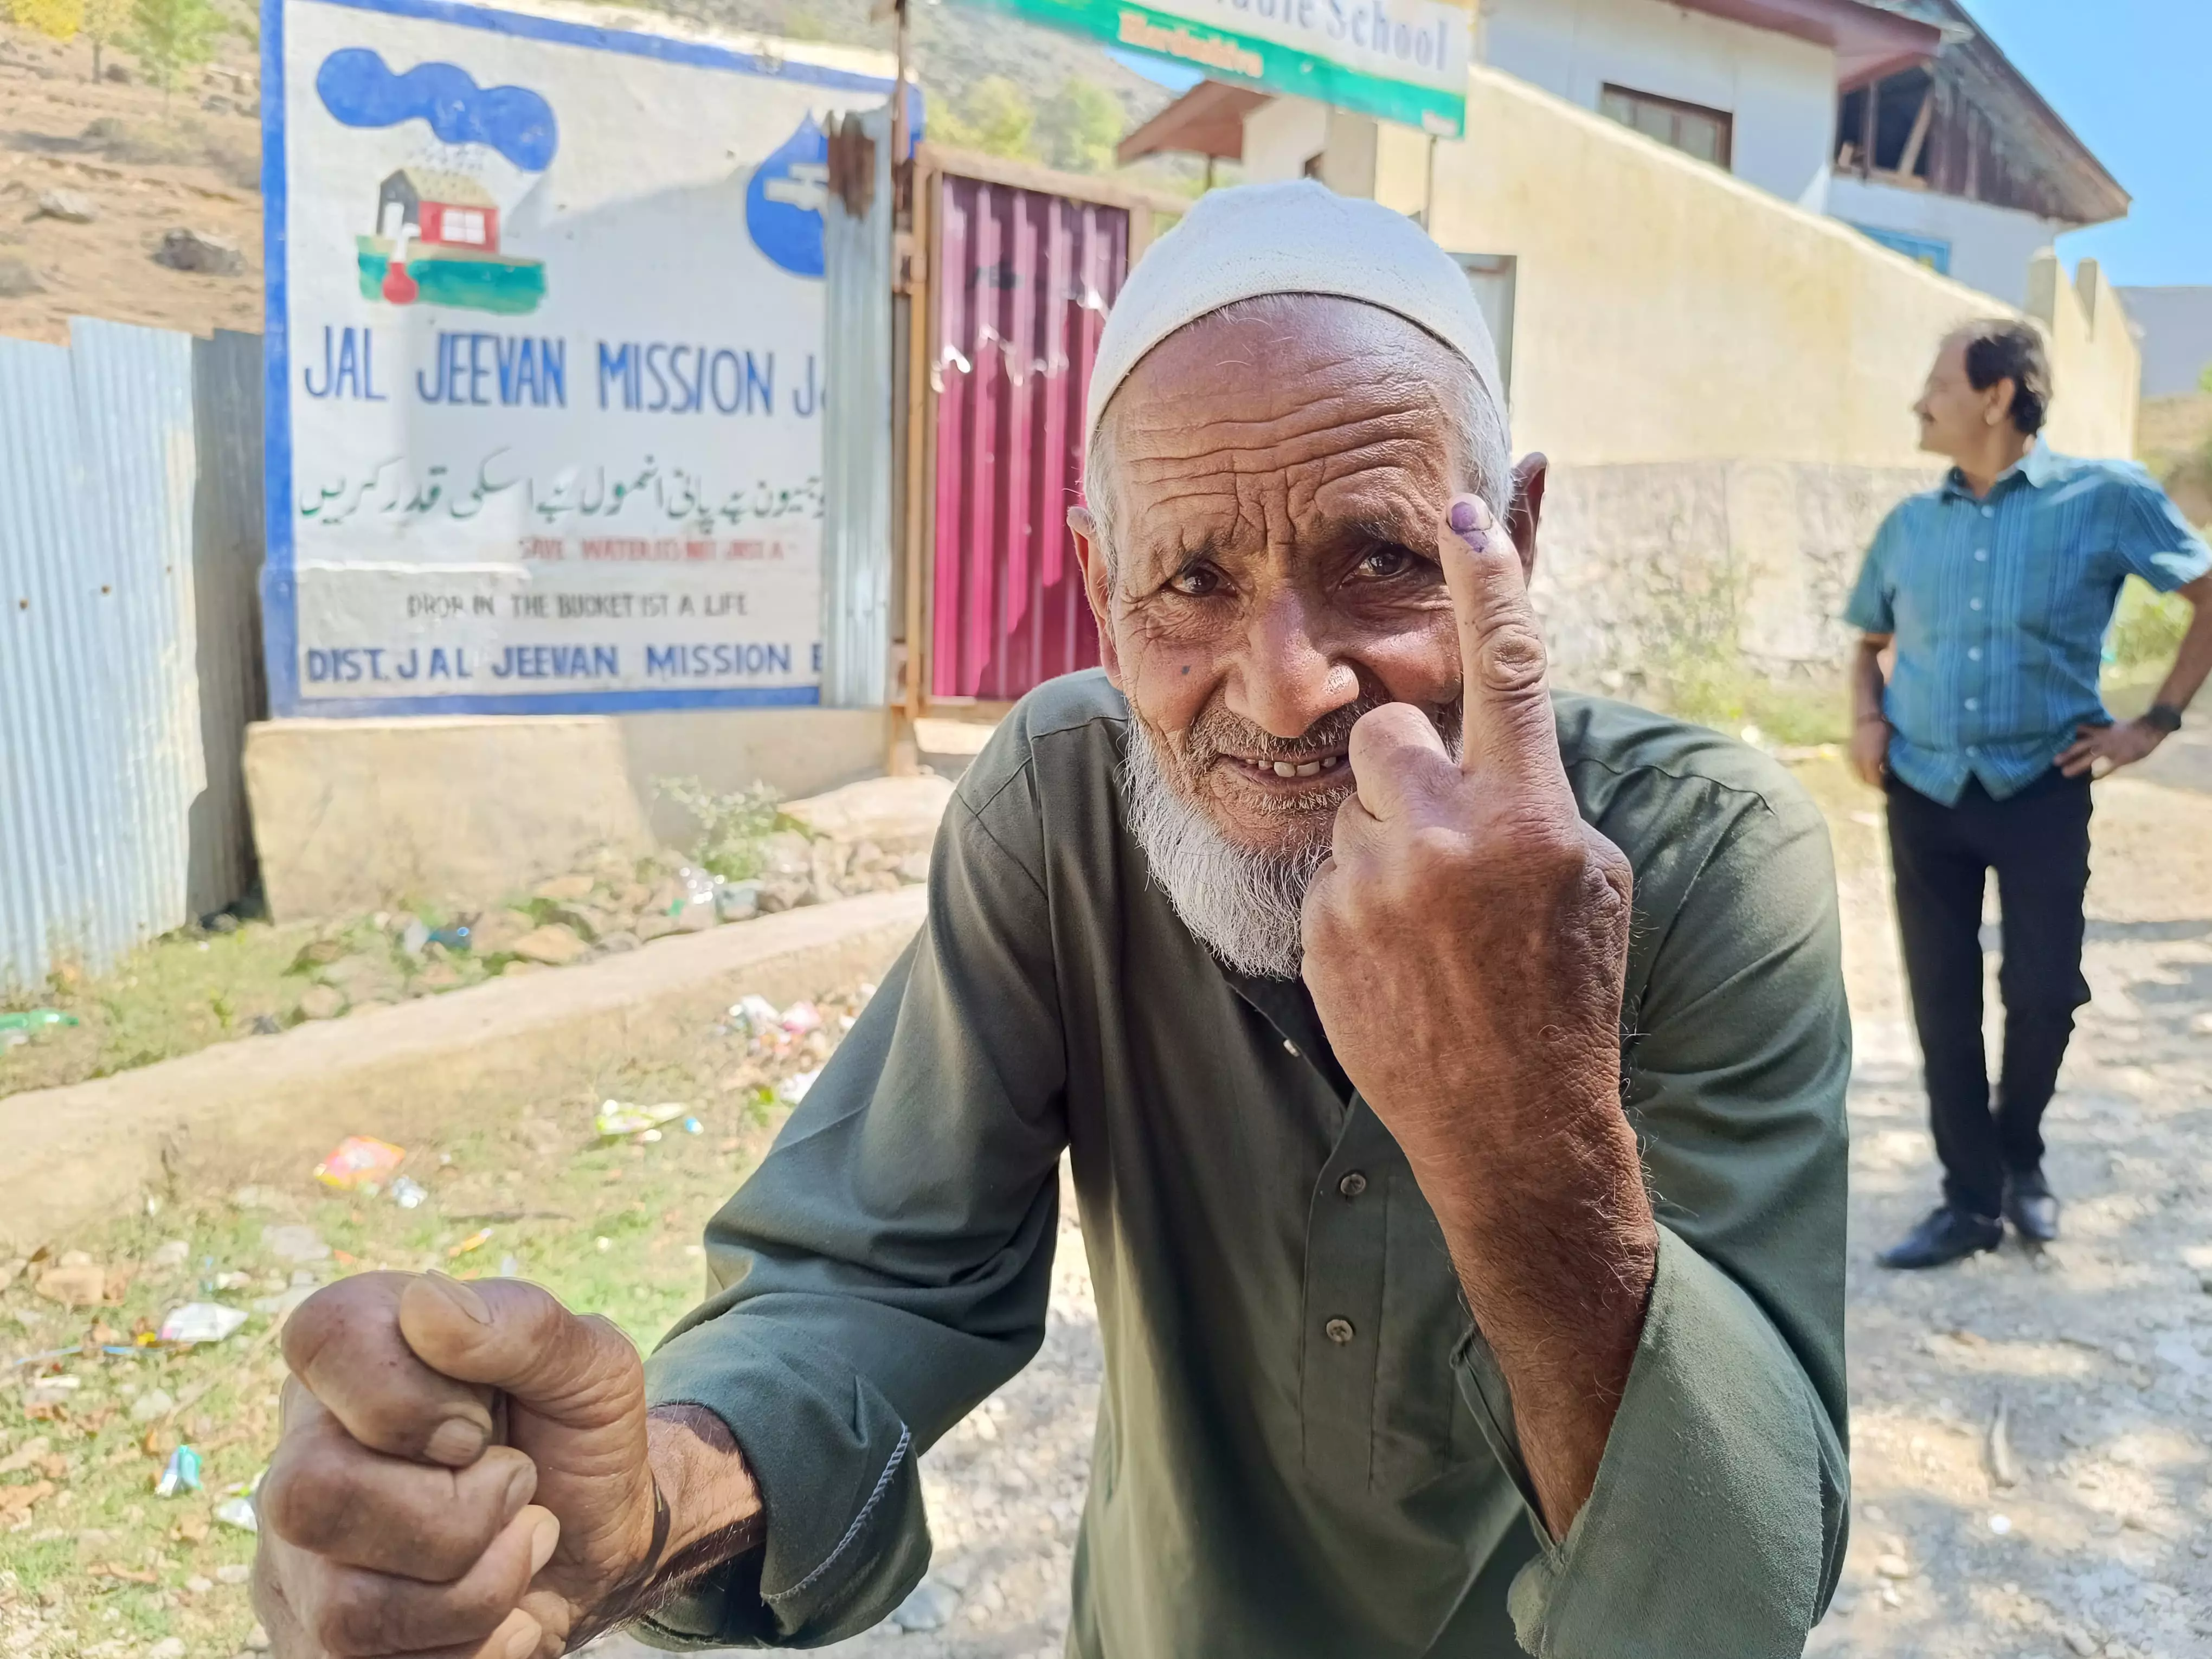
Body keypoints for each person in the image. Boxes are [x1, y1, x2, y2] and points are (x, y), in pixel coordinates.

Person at [251, 183, 1852, 1659]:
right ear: (1099, 585)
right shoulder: (1064, 803)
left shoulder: (1707, 861)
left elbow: (1734, 1586)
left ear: (1517, 532)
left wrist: (1522, 1123)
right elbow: (882, 1267)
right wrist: (647, 1498)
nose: (1287, 685)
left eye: (1380, 558)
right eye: (1192, 581)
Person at [1847, 320, 2212, 1271]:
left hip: (2043, 787)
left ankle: (2022, 1159)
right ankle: (1970, 1200)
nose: (1921, 401)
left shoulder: (2107, 498)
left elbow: (2208, 593)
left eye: (1937, 382)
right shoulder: (1907, 526)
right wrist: (1868, 720)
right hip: (1923, 789)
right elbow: (1867, 642)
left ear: (1998, 395)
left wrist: (2155, 723)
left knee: (2044, 990)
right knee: (1941, 999)